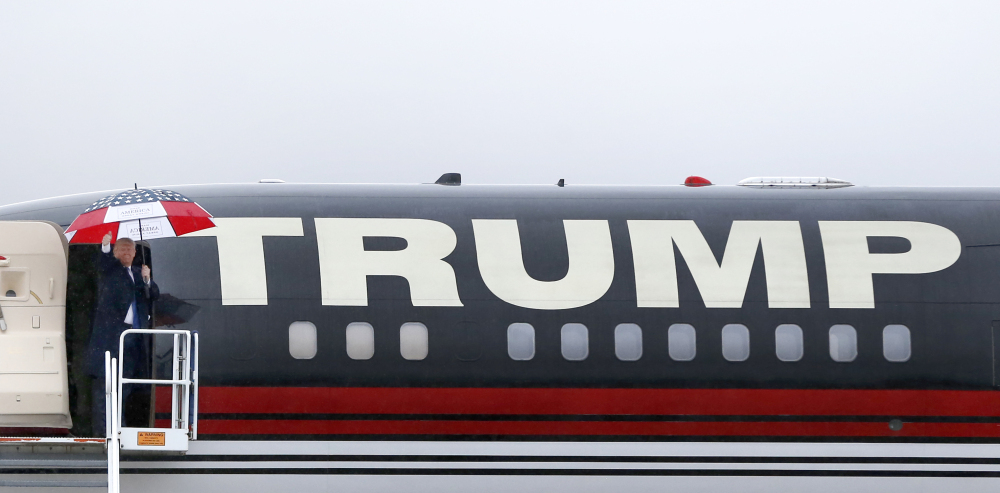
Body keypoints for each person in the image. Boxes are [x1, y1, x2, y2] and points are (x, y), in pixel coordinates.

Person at [87, 232, 159, 437]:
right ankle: (104, 431)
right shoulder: (111, 270)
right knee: (106, 386)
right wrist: (105, 246)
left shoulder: (139, 273)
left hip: (133, 337)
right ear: (116, 252)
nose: (127, 252)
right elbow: (102, 264)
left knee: (125, 386)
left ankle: (120, 426)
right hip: (111, 338)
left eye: (130, 249)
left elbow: (154, 295)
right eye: (123, 249)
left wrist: (147, 280)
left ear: (136, 253)